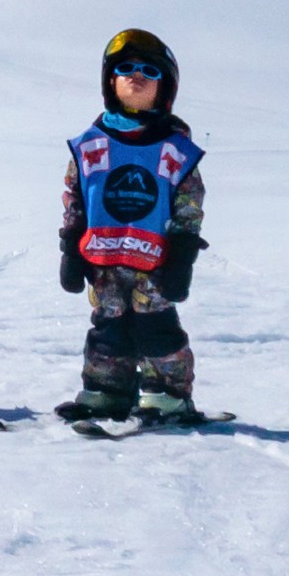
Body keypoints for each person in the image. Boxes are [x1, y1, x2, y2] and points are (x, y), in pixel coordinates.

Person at [55, 30, 211, 426]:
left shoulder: (173, 150)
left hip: (155, 262)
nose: (135, 76)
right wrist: (71, 250)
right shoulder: (92, 145)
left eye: (148, 71)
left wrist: (183, 257)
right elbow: (76, 198)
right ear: (110, 80)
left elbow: (188, 204)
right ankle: (107, 391)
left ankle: (168, 394)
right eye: (125, 68)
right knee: (109, 327)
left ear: (165, 86)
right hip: (104, 259)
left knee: (154, 326)